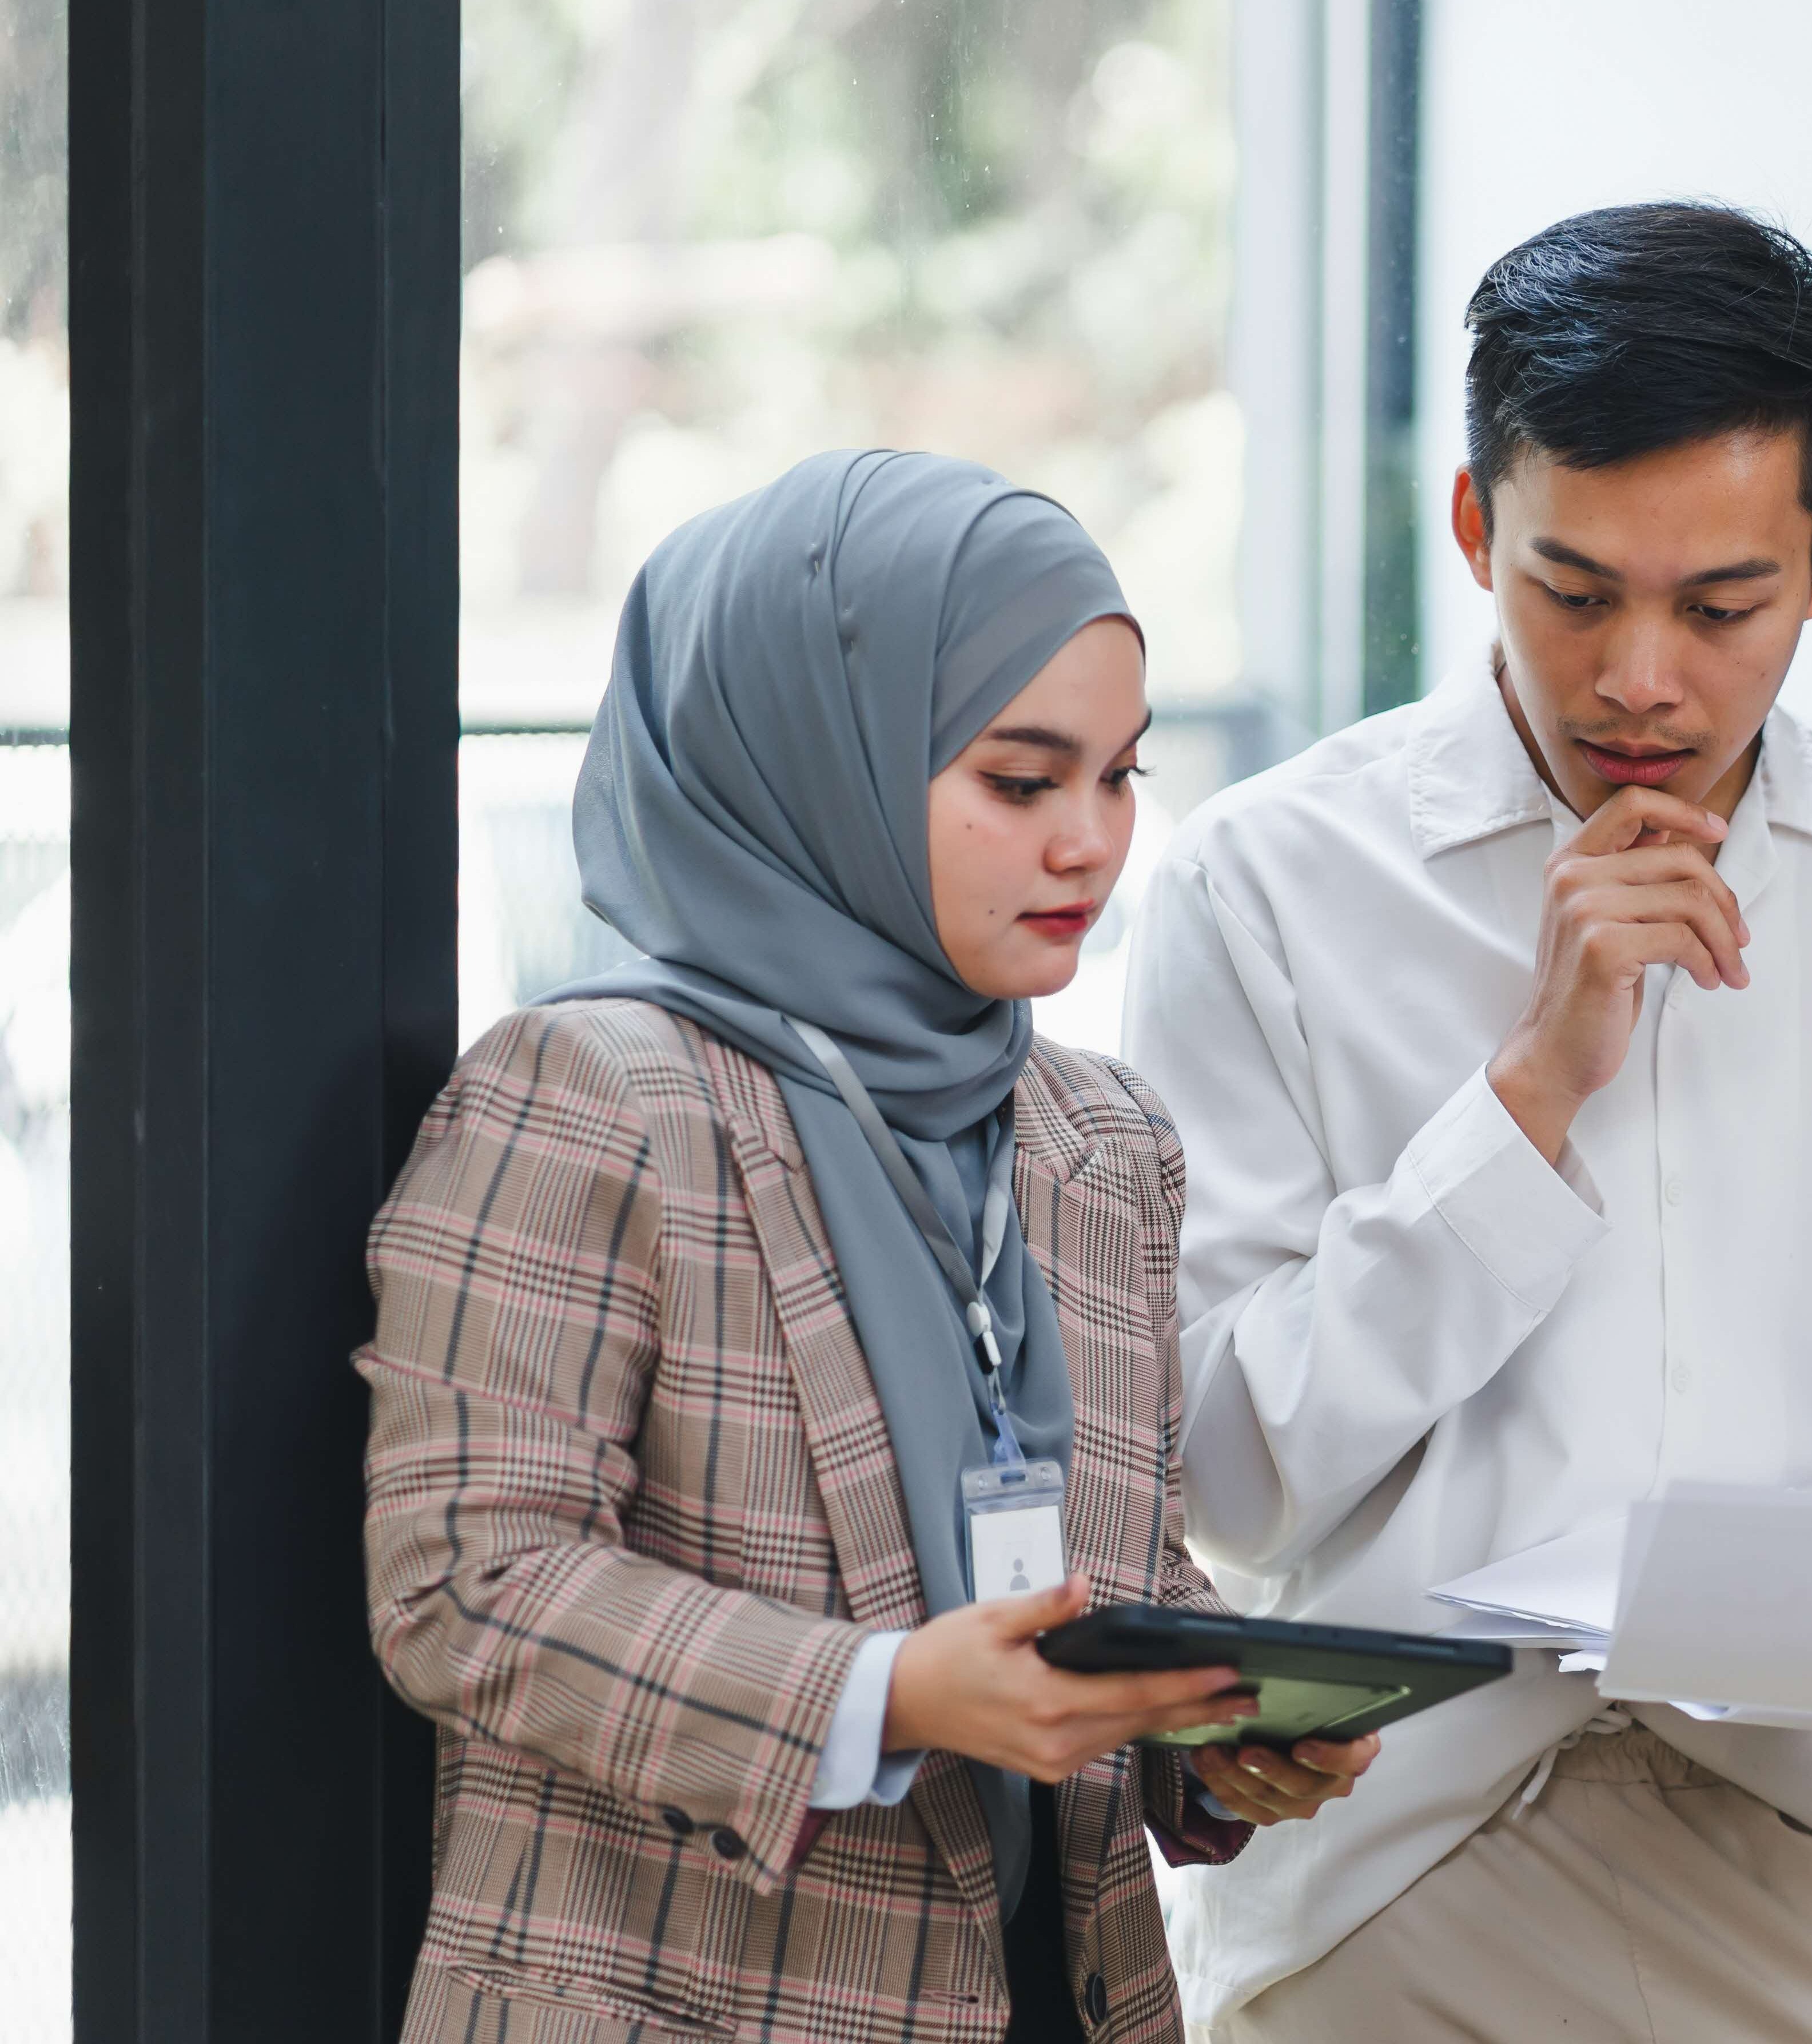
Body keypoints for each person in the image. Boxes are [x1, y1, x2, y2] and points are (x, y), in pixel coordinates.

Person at [1130, 202, 1812, 2042]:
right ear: (1475, 526)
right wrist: (1529, 1093)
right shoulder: (1262, 884)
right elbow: (1232, 1475)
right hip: (1384, 1872)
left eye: (1721, 607)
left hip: (1810, 1859)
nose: (1640, 678)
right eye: (1574, 593)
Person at [357, 450, 1376, 2044]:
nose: (1092, 843)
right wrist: (881, 1698)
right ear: (817, 762)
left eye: (1120, 777)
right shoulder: (591, 1099)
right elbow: (464, 1586)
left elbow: (1108, 1566)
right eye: (1021, 782)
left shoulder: (1102, 1140)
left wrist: (1208, 1732)